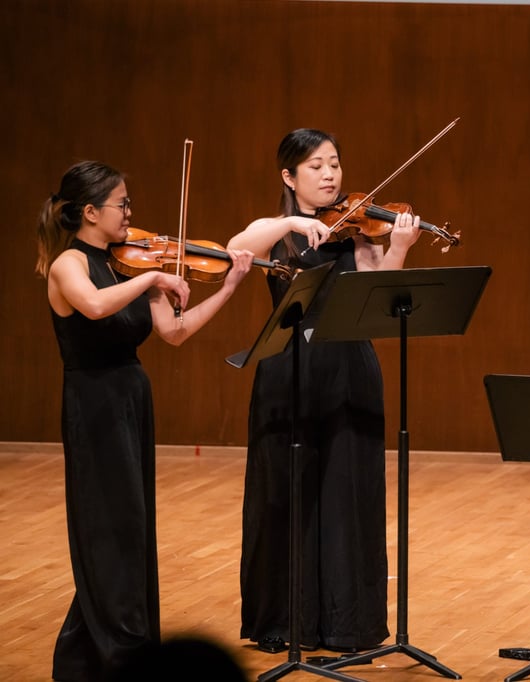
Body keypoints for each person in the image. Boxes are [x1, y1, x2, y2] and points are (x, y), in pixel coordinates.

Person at [37, 160, 255, 681]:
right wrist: (155, 277)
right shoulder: (70, 264)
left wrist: (228, 287)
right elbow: (91, 307)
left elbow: (174, 333)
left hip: (132, 396)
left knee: (130, 528)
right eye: (122, 205)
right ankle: (119, 653)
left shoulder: (128, 265)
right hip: (93, 403)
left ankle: (85, 654)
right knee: (107, 527)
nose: (131, 214)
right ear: (89, 212)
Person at [227, 128, 422, 653]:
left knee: (347, 492)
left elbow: (378, 302)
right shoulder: (275, 231)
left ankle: (345, 624)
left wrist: (397, 246)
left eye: (334, 163)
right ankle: (283, 622)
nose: (330, 174)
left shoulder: (356, 231)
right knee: (286, 492)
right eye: (315, 166)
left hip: (349, 368)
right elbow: (233, 250)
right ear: (288, 177)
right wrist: (292, 221)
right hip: (288, 369)